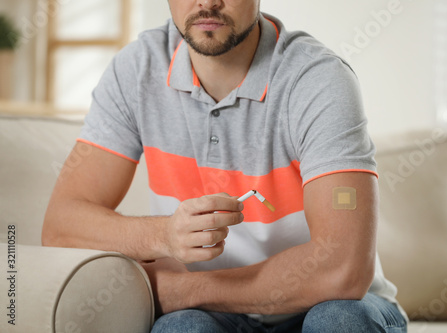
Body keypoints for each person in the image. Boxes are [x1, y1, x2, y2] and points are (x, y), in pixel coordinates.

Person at [42, 0, 408, 332]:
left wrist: (183, 290)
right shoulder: (136, 70)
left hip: (329, 301)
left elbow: (342, 269)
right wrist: (165, 235)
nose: (207, 3)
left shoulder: (317, 79)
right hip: (216, 314)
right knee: (181, 330)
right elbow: (61, 227)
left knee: (339, 322)